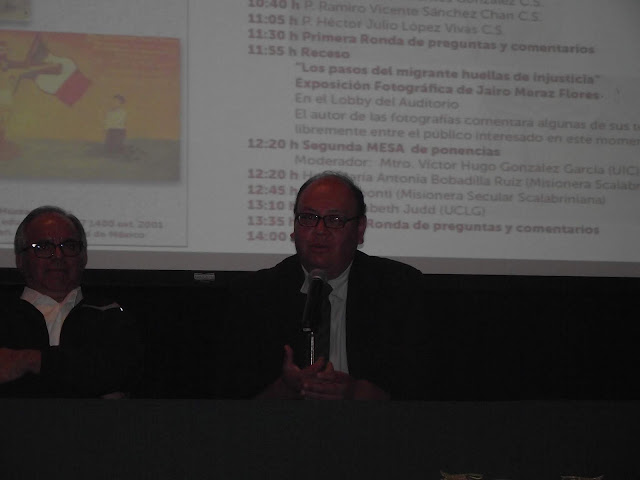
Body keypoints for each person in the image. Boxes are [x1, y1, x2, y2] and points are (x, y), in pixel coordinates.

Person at [224, 171, 433, 400]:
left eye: (334, 220)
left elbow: (423, 393)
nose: (320, 230)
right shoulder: (255, 294)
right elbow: (231, 402)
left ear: (360, 230)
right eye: (308, 217)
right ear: (294, 227)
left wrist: (357, 393)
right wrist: (286, 388)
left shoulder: (400, 289)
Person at [0, 206, 142, 397]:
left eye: (69, 246)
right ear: (20, 259)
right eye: (44, 247)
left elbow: (117, 372)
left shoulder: (108, 313)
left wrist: (31, 360)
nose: (58, 256)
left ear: (84, 257)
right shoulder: (5, 315)